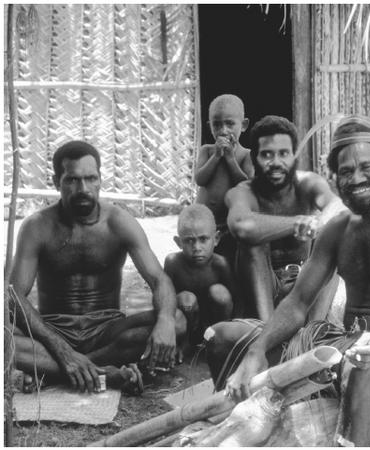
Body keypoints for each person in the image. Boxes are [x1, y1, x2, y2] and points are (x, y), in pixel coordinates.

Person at [208, 115, 370, 446]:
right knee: (224, 337)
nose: (357, 178)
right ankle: (226, 427)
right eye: (346, 172)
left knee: (362, 371)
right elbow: (297, 303)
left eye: (367, 167)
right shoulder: (339, 230)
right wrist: (257, 351)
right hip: (342, 344)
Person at [9, 140, 185, 394]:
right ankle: (105, 374)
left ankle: (58, 370)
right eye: (72, 180)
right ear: (56, 181)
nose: (83, 188)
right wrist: (62, 349)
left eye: (91, 178)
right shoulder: (37, 227)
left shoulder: (119, 222)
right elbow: (14, 295)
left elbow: (159, 279)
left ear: (101, 179)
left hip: (107, 331)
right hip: (52, 331)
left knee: (178, 320)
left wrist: (166, 320)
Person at [223, 115, 345, 320]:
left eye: (283, 154)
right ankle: (266, 332)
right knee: (253, 242)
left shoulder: (307, 183)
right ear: (255, 158)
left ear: (294, 157)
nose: (276, 162)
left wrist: (320, 222)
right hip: (264, 289)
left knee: (333, 236)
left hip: (303, 282)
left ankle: (312, 333)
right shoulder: (243, 192)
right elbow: (241, 225)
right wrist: (297, 223)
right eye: (267, 155)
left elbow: (338, 205)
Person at [195, 94, 254, 266]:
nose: (223, 130)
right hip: (203, 223)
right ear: (209, 126)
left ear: (243, 125)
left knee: (226, 263)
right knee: (202, 262)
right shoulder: (206, 151)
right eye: (217, 124)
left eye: (230, 123)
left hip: (229, 227)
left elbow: (246, 186)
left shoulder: (246, 155)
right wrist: (216, 157)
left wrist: (230, 160)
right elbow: (200, 179)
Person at [164, 204, 235, 348]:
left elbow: (236, 300)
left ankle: (219, 341)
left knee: (220, 293)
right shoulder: (173, 263)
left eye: (203, 239)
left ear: (216, 239)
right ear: (178, 242)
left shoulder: (220, 264)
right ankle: (185, 345)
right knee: (186, 299)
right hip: (185, 323)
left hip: (213, 322)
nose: (196, 248)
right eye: (189, 241)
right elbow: (165, 298)